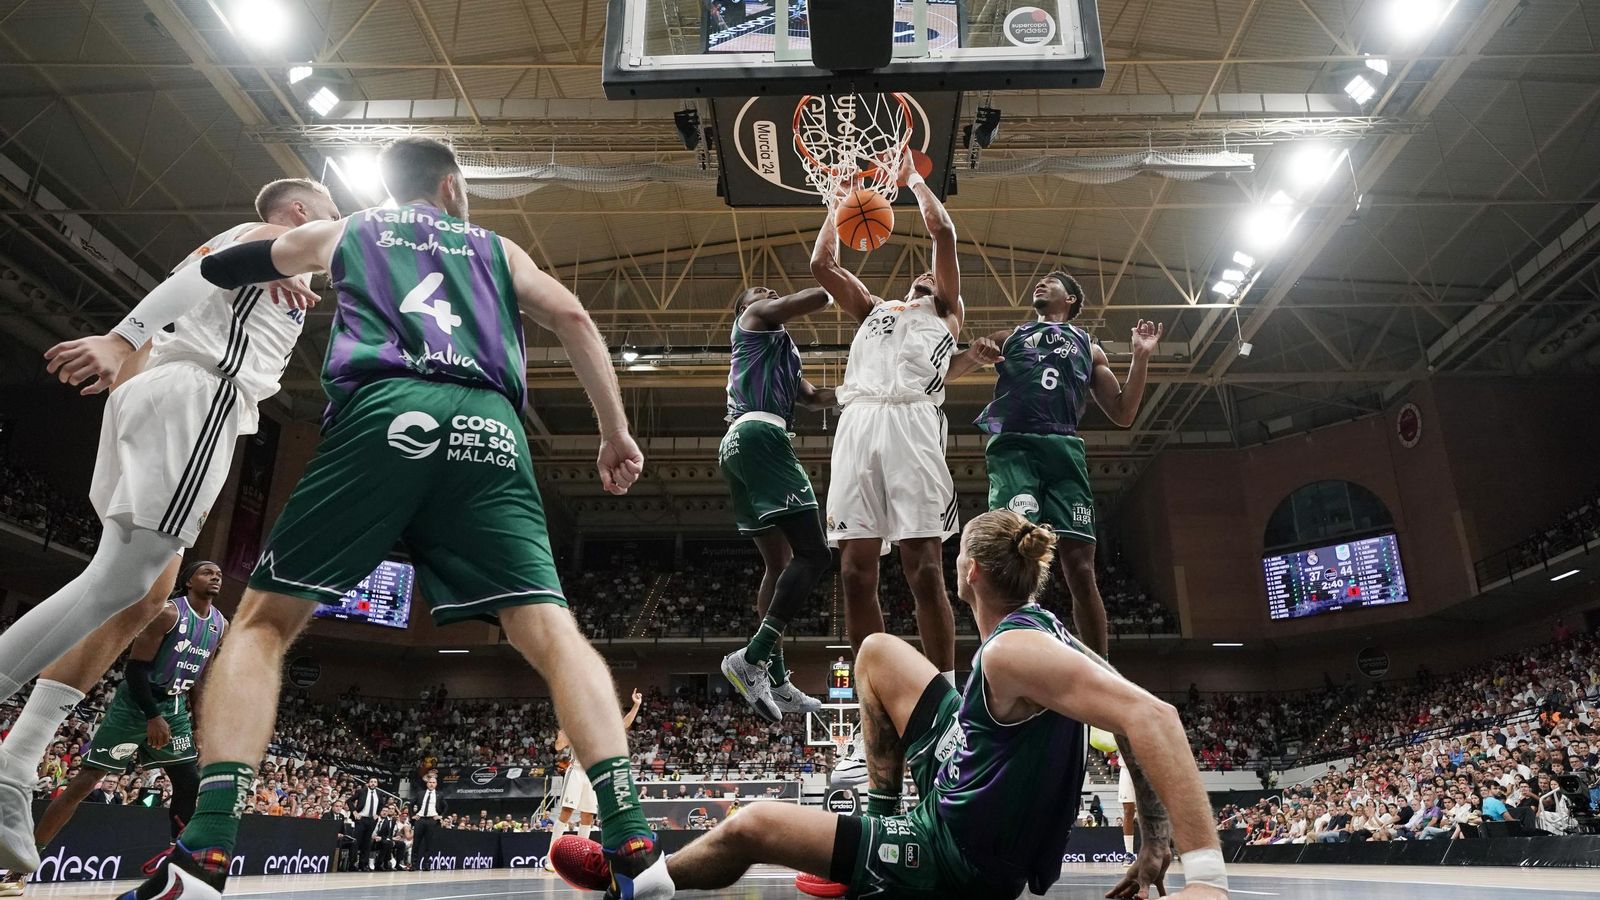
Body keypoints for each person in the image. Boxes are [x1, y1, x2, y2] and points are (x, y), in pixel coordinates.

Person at [126, 137, 664, 900]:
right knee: (551, 634)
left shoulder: (350, 231)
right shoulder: (499, 247)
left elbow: (218, 267)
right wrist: (615, 430)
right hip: (490, 427)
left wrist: (264, 272)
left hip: (385, 411)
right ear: (450, 187)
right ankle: (638, 845)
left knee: (262, 625)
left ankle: (207, 849)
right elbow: (573, 316)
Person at [553, 510, 1227, 900]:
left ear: (969, 573)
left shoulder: (1012, 654)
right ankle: (878, 821)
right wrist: (1154, 838)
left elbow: (1155, 720)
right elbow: (1136, 719)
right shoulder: (1050, 633)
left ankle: (640, 884)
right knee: (875, 650)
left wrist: (1204, 877)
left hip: (957, 854)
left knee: (752, 823)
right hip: (967, 771)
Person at [0, 179, 340, 874]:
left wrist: (130, 381)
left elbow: (202, 289)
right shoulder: (257, 242)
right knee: (116, 583)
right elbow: (202, 285)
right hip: (198, 400)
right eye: (327, 218)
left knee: (146, 599)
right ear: (300, 214)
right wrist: (117, 340)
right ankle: (12, 756)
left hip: (156, 395)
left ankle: (18, 760)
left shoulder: (256, 257)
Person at [808, 152, 997, 787]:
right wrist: (839, 199)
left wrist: (912, 178)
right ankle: (879, 696)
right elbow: (822, 266)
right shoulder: (873, 310)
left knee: (923, 569)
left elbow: (942, 233)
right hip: (858, 427)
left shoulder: (944, 313)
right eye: (913, 276)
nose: (918, 275)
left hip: (914, 426)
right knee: (856, 573)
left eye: (928, 276)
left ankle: (943, 705)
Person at [0, 562, 227, 894]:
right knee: (85, 782)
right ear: (189, 581)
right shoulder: (167, 614)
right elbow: (135, 669)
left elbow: (200, 677)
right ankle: (19, 869)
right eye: (208, 571)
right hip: (137, 705)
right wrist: (152, 715)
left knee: (189, 781)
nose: (216, 576)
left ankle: (178, 861)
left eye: (219, 573)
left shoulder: (220, 624)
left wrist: (200, 722)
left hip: (175, 707)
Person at [970, 272, 1162, 657]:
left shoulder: (1089, 348)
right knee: (1006, 560)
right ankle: (1001, 660)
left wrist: (1141, 357)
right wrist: (980, 350)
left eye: (1051, 282)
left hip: (1064, 447)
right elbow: (978, 349)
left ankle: (1103, 673)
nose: (1039, 283)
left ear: (1071, 299)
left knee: (1081, 568)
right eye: (1037, 280)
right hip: (1015, 446)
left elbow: (1123, 413)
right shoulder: (1013, 335)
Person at [717, 284, 837, 723]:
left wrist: (864, 390)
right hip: (761, 436)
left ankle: (779, 680)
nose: (769, 292)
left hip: (737, 445)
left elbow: (812, 398)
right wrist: (834, 279)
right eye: (759, 292)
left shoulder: (782, 351)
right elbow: (817, 299)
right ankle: (752, 656)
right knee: (815, 553)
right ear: (745, 307)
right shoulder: (753, 321)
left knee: (779, 563)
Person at [547, 690, 643, 871]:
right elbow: (559, 746)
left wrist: (636, 705)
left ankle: (580, 860)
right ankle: (551, 858)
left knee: (587, 817)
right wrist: (561, 737)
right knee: (566, 813)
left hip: (592, 774)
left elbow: (624, 724)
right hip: (575, 771)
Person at [349, 777, 386, 871]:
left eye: (375, 782)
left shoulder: (379, 793)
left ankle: (363, 864)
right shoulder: (361, 791)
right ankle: (352, 864)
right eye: (371, 782)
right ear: (368, 783)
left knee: (367, 843)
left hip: (371, 820)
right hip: (361, 819)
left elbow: (381, 804)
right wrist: (354, 812)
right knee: (356, 842)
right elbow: (349, 800)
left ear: (377, 784)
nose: (373, 783)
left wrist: (377, 814)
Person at [412, 772, 446, 870]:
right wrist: (413, 815)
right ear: (427, 783)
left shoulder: (440, 795)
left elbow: (445, 806)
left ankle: (426, 865)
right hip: (420, 820)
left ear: (436, 784)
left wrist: (440, 816)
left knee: (429, 844)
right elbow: (411, 804)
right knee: (416, 843)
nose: (431, 784)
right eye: (430, 782)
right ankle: (414, 865)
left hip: (432, 820)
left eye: (433, 782)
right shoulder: (420, 793)